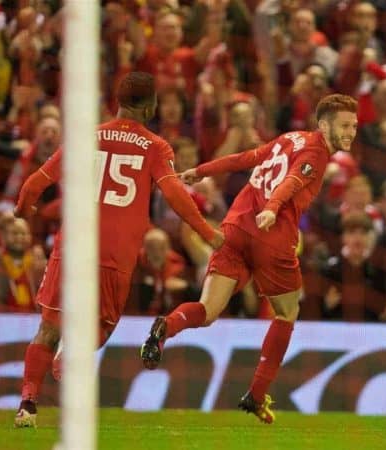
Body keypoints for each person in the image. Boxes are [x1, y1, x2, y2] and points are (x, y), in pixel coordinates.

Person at [13, 71, 224, 428]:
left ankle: (27, 405)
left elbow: (36, 183)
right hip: (114, 256)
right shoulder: (155, 146)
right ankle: (70, 357)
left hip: (72, 248)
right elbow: (175, 195)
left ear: (118, 102)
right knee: (102, 329)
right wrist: (208, 232)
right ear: (150, 106)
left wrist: (22, 210)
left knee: (49, 326)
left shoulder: (86, 136)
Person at [141, 93, 358, 423]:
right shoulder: (316, 151)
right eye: (344, 125)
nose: (351, 132)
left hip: (235, 227)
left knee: (208, 309)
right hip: (271, 237)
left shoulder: (288, 138)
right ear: (323, 125)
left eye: (354, 126)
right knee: (287, 312)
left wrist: (201, 171)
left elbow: (245, 158)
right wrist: (271, 210)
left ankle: (166, 327)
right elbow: (292, 181)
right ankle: (256, 395)